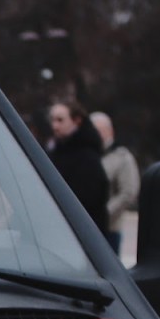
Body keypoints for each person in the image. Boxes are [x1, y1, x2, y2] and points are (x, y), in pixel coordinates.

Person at [44, 99, 109, 237]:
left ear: (76, 121)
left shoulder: (87, 156)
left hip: (81, 233)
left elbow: (89, 199)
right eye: (53, 120)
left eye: (60, 120)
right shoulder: (54, 151)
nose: (55, 126)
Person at [92, 110, 140, 259]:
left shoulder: (122, 157)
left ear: (109, 131)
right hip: (87, 227)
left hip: (109, 228)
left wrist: (104, 214)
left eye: (98, 130)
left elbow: (128, 192)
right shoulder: (90, 155)